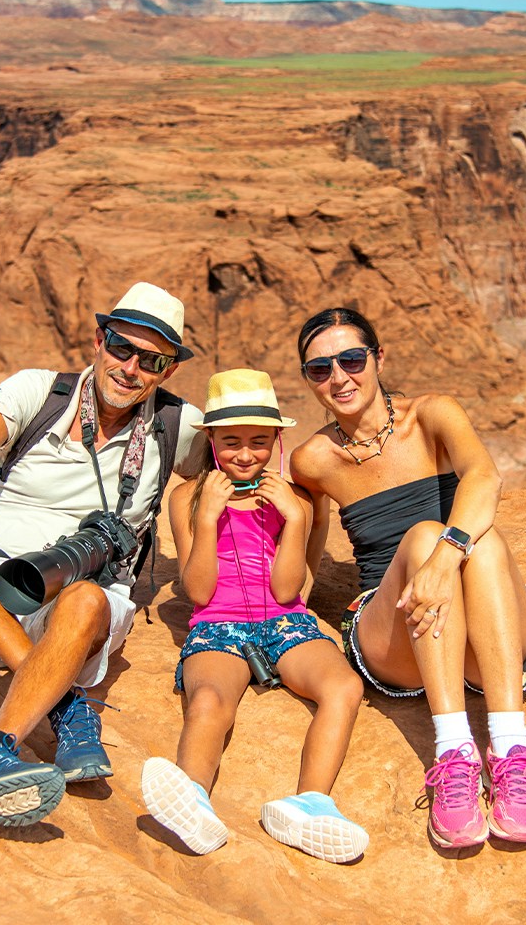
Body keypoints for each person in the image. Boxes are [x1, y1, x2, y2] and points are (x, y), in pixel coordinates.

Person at [0, 282, 205, 830]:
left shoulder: (176, 426)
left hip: (70, 615)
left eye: (152, 360)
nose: (131, 368)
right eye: (121, 348)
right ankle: (67, 702)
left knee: (88, 598)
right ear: (98, 340)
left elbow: (245, 454)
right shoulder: (38, 393)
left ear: (168, 370)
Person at [288, 308, 526, 847]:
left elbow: (484, 476)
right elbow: (307, 553)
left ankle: (509, 751)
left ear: (379, 359)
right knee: (425, 535)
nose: (339, 377)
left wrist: (443, 559)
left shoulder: (433, 414)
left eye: (352, 359)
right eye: (319, 369)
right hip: (394, 637)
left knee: (475, 538)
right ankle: (454, 755)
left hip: (485, 635)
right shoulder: (312, 459)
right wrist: (285, 622)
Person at [142, 369, 368, 863]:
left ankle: (311, 804)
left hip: (284, 619)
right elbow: (198, 592)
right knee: (208, 700)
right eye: (232, 442)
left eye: (259, 442)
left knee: (343, 687)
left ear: (277, 440)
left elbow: (290, 590)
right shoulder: (187, 498)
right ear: (211, 440)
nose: (246, 454)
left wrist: (294, 518)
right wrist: (207, 519)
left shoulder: (297, 500)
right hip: (217, 623)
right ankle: (193, 799)